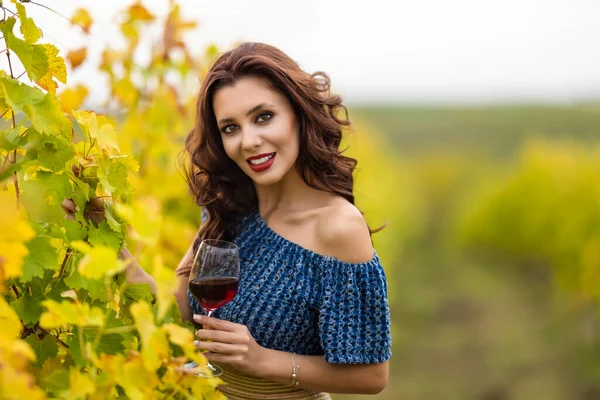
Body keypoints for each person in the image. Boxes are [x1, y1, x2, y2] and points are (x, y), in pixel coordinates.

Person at [68, 42, 392, 399]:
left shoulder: (337, 228)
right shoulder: (227, 208)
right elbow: (175, 311)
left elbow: (370, 375)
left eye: (264, 117)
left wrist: (261, 360)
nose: (249, 141)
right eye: (230, 128)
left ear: (298, 114)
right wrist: (108, 239)